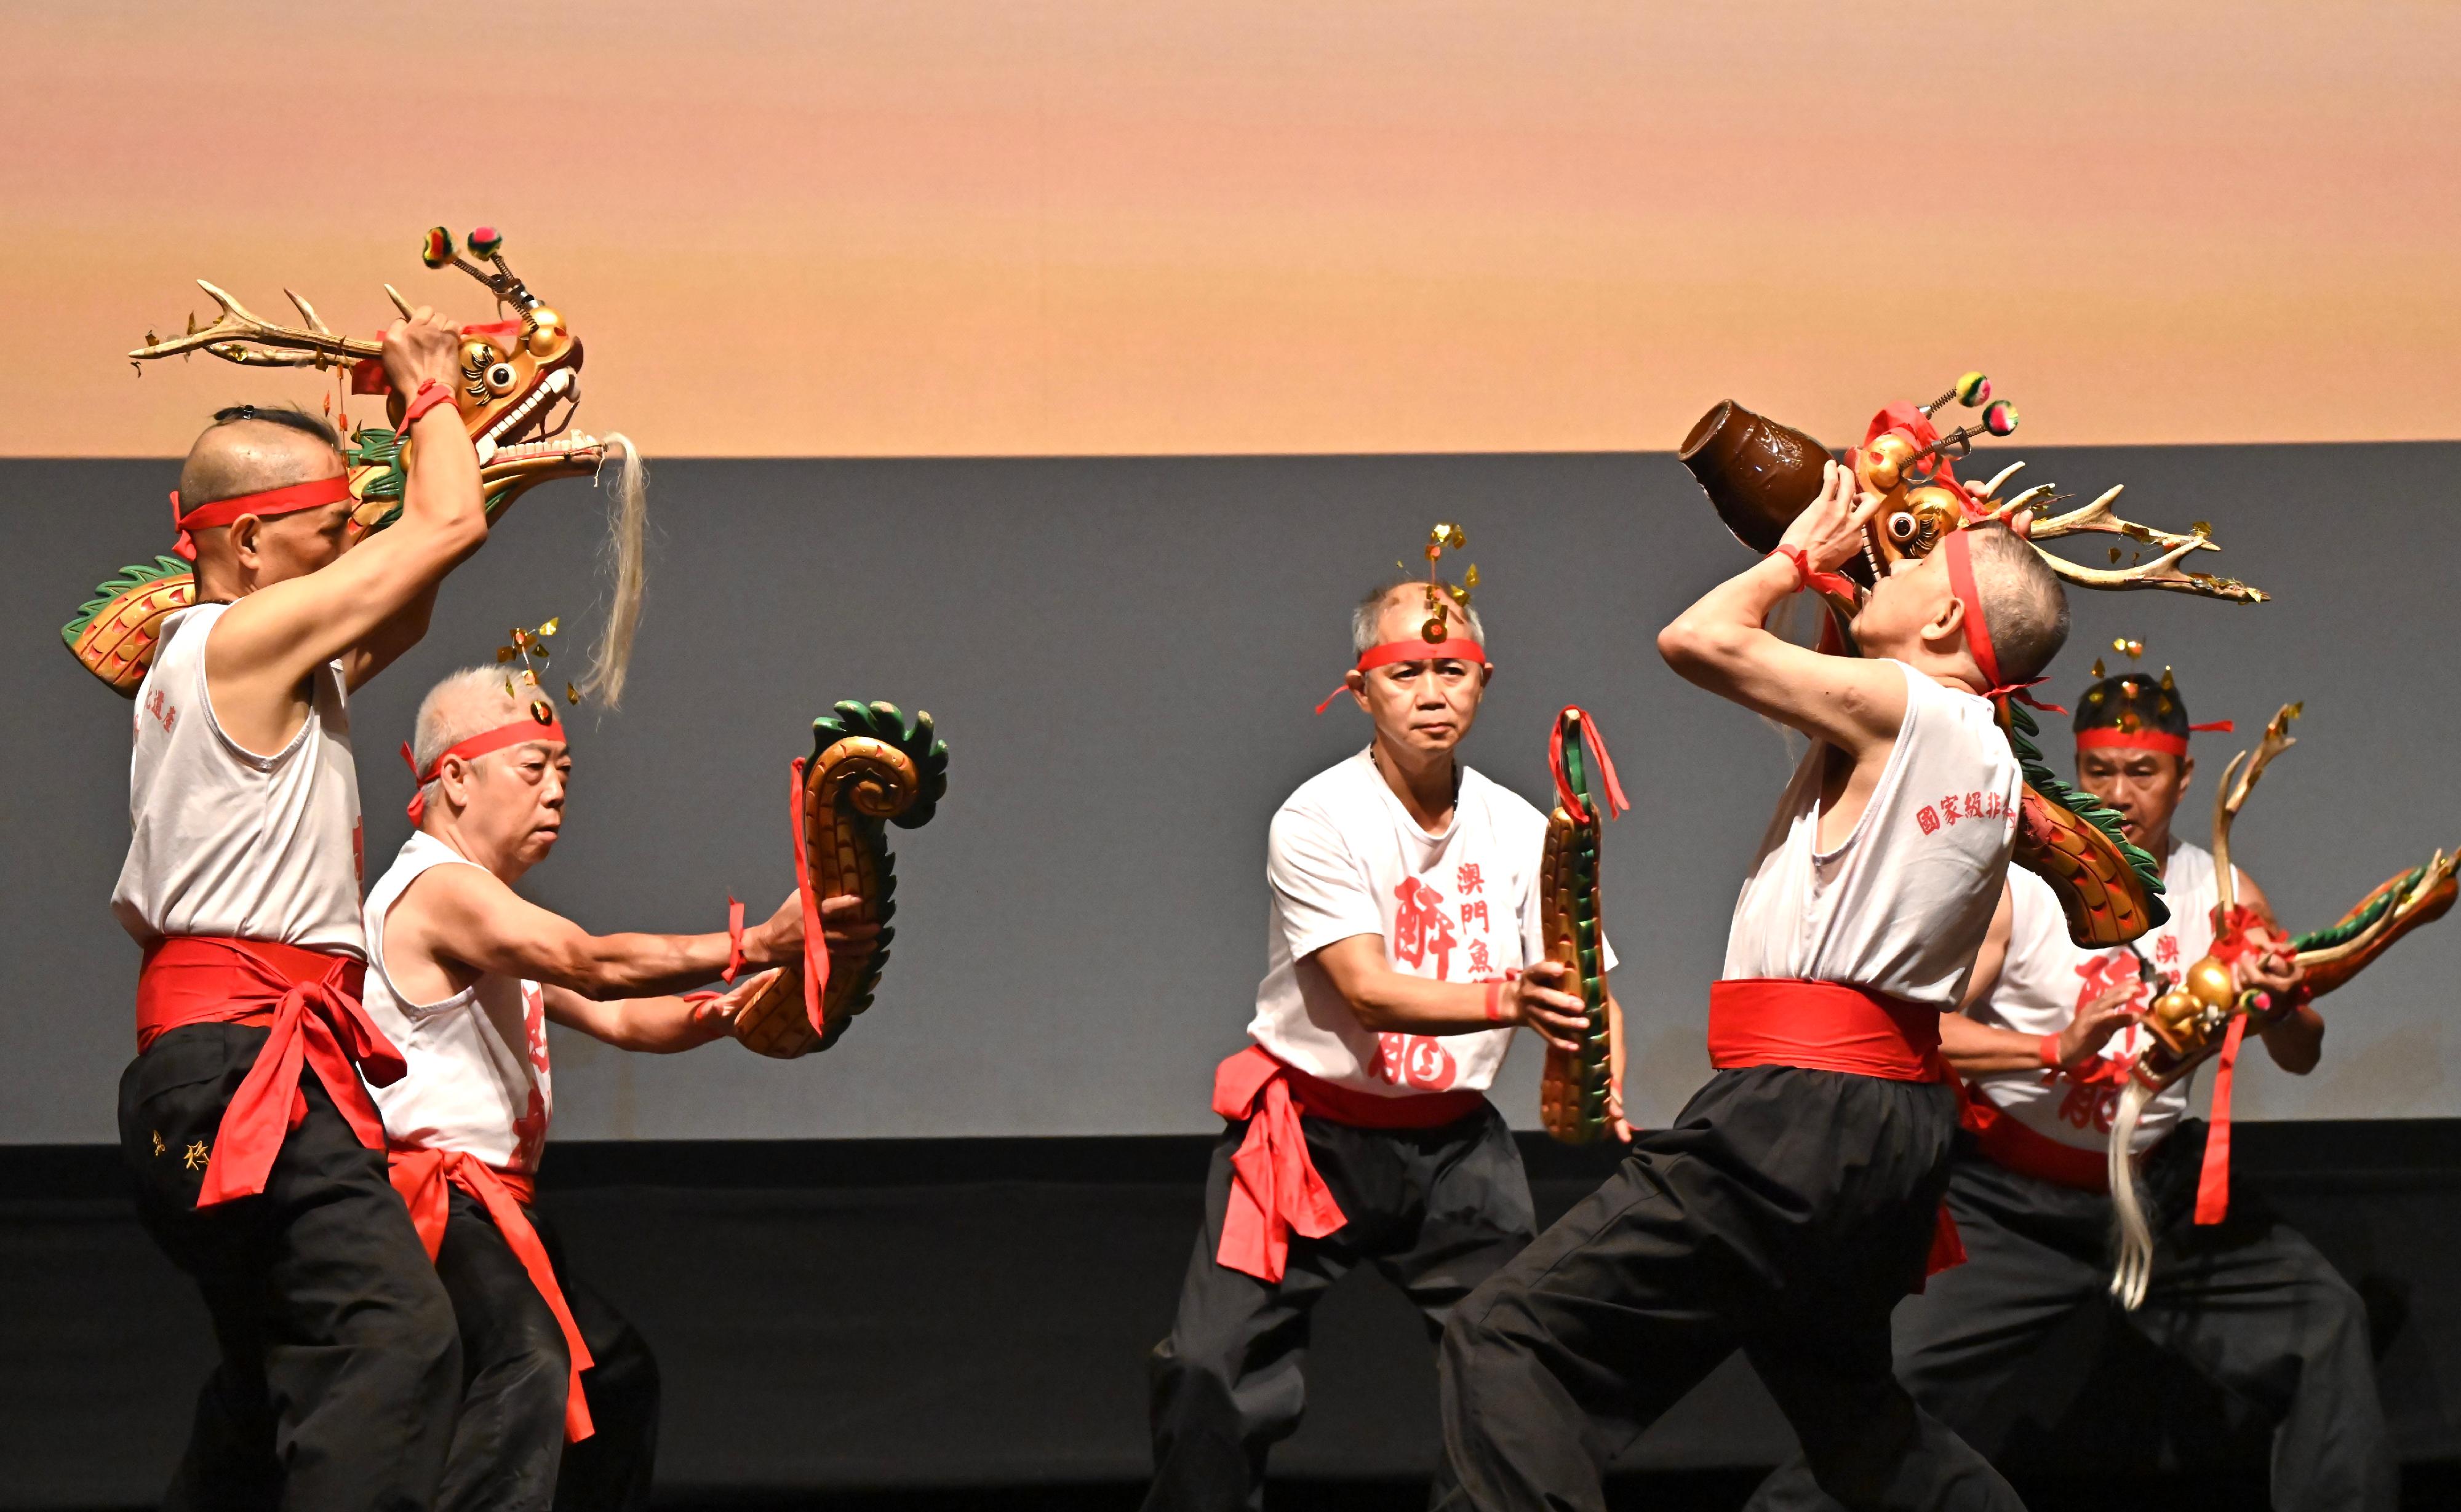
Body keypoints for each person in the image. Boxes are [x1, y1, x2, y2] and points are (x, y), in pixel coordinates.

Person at [1435, 462, 2067, 1511]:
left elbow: (1701, 639)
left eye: (1908, 562)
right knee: (1859, 1421)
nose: (1881, 568)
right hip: (1884, 1123)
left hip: (1796, 1117)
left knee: (1505, 1339)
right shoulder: (1980, 754)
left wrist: (1790, 559)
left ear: (1950, 614)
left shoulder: (1911, 706)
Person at [1739, 663, 2391, 1512]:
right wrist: (2053, 1046)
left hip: (2159, 1193)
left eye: (2143, 772)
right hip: (2010, 1203)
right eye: (2100, 772)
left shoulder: (2223, 894)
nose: (2120, 793)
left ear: (2185, 776)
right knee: (1882, 1390)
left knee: (2327, 1324)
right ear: (2076, 772)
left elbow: (2301, 1054)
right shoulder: (2022, 887)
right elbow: (1930, 1032)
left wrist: (2276, 1000)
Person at [111, 309, 488, 1510]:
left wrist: (479, 441)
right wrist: (429, 393)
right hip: (238, 1072)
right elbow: (445, 523)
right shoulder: (239, 642)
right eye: (331, 535)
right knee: (397, 1341)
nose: (347, 556)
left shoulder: (246, 659)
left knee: (272, 1375)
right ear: (256, 543)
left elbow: (416, 586)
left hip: (202, 1084)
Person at [1142, 568, 1621, 1512]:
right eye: (1407, 672)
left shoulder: (1521, 827)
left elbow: (1585, 975)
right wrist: (1512, 1001)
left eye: (1454, 668)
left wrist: (1605, 1076)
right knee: (1210, 1368)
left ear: (1485, 683)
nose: (1433, 691)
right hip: (1306, 1136)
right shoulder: (1318, 817)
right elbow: (1365, 989)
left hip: (1454, 1148)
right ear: (1360, 689)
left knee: (1518, 1368)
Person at [362, 666, 873, 1511]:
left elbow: (630, 1019)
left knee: (618, 1376)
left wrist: (744, 1008)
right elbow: (594, 965)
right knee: (529, 1364)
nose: (557, 792)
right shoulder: (436, 888)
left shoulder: (493, 914)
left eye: (564, 773)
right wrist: (765, 940)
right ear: (453, 778)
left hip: (501, 1211)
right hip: (437, 1209)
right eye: (534, 769)